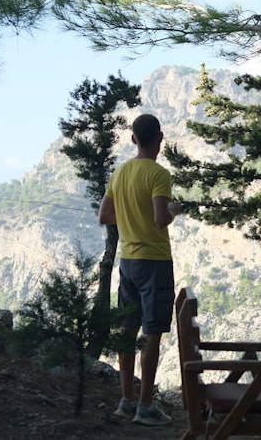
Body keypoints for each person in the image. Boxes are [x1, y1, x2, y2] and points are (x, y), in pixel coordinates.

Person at [99, 113, 180, 426]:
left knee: (127, 331)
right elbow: (161, 219)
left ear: (133, 139)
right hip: (155, 262)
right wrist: (173, 209)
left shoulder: (120, 174)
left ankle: (126, 401)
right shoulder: (158, 175)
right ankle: (146, 405)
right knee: (151, 335)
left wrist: (131, 216)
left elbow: (105, 215)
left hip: (128, 261)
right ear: (159, 139)